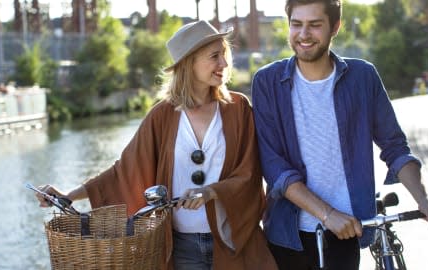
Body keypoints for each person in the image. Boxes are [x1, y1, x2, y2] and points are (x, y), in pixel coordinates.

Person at [35, 20, 276, 270]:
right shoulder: (163, 115)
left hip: (233, 243)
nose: (224, 64)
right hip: (181, 248)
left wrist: (212, 191)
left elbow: (249, 173)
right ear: (188, 63)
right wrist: (68, 195)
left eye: (224, 54)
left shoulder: (238, 109)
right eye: (214, 56)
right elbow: (124, 172)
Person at [250, 1, 428, 269]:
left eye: (315, 25)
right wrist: (327, 214)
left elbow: (394, 146)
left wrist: (423, 199)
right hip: (288, 235)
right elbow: (274, 166)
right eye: (296, 24)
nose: (303, 34)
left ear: (335, 27)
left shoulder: (362, 77)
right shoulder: (267, 82)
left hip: (345, 230)